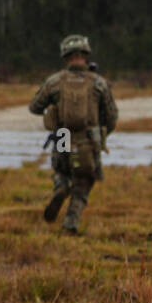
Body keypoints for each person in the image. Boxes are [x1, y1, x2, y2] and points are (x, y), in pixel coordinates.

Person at [29, 35, 118, 234]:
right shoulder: (99, 83)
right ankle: (71, 223)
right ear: (86, 55)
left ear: (65, 56)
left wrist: (53, 109)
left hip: (62, 136)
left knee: (62, 170)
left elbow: (34, 107)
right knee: (85, 180)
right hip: (88, 139)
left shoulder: (54, 82)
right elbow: (112, 116)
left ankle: (60, 187)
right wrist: (102, 133)